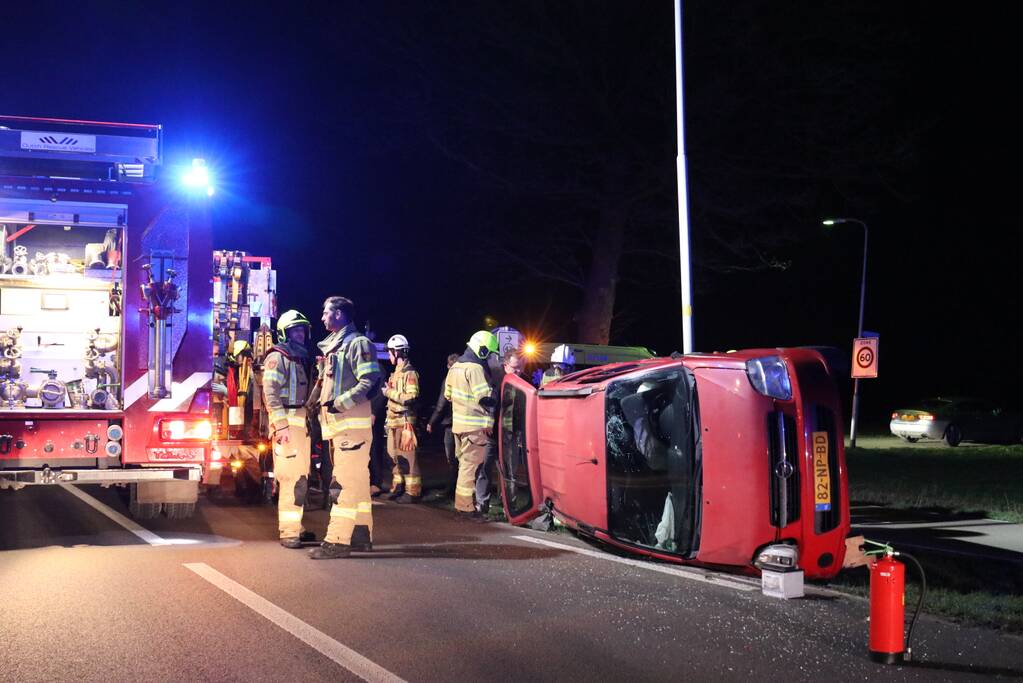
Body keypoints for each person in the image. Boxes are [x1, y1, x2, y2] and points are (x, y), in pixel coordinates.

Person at [309, 296, 382, 559]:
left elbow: (370, 381)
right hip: (341, 429)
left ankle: (337, 541)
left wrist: (340, 404)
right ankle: (360, 536)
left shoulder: (357, 343)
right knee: (359, 484)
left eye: (326, 312)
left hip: (350, 429)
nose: (322, 318)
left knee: (344, 484)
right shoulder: (336, 347)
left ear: (339, 314)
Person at [261, 310, 314, 549]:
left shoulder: (301, 357)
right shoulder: (277, 357)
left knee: (301, 478)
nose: (300, 334)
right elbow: (270, 393)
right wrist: (280, 425)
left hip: (301, 423)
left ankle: (297, 526)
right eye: (295, 330)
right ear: (285, 333)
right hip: (287, 425)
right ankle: (289, 532)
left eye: (302, 330)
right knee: (291, 478)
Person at [444, 330, 498, 519]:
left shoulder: (455, 367)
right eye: (489, 353)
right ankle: (466, 507)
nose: (490, 357)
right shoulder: (475, 369)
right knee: (470, 468)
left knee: (464, 466)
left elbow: (448, 395)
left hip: (458, 426)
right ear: (482, 350)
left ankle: (462, 504)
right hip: (474, 428)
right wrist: (498, 398)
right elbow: (484, 398)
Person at [475, 349, 525, 514]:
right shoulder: (495, 382)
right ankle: (482, 503)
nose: (518, 372)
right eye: (515, 368)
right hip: (492, 436)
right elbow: (487, 405)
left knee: (510, 473)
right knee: (485, 469)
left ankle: (509, 508)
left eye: (520, 368)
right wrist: (487, 423)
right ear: (505, 366)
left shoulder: (524, 384)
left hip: (510, 436)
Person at [382, 334, 421, 502]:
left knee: (408, 459)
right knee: (394, 456)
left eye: (390, 352)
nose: (389, 356)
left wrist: (388, 392)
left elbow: (411, 397)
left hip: (405, 423)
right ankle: (398, 486)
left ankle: (412, 492)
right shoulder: (395, 373)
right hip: (392, 422)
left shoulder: (409, 373)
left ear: (397, 353)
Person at [426, 353, 459, 499]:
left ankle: (452, 489)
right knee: (463, 460)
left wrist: (431, 422)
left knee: (452, 459)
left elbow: (441, 405)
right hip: (465, 424)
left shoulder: (448, 380)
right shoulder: (466, 378)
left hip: (451, 425)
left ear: (448, 366)